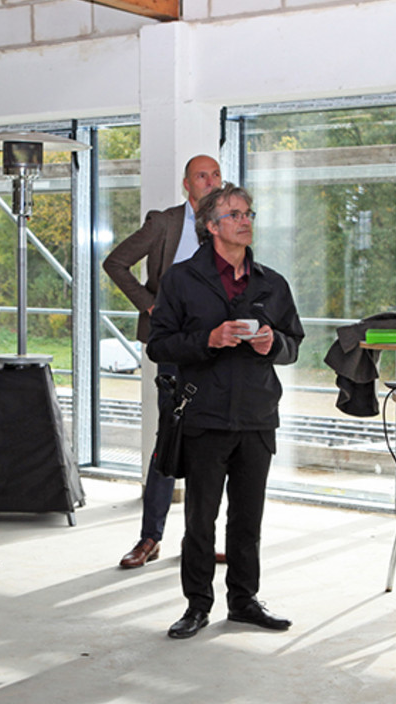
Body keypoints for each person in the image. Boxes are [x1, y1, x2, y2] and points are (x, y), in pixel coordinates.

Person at [147, 184, 305, 639]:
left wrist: (272, 342)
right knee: (200, 519)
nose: (245, 220)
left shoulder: (272, 283)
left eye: (248, 213)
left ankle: (244, 600)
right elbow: (159, 345)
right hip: (205, 416)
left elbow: (293, 345)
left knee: (247, 518)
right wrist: (208, 340)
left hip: (257, 416)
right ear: (212, 226)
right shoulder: (180, 280)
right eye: (235, 214)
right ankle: (197, 605)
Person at [103, 154, 223, 569]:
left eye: (216, 175)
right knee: (169, 441)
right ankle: (149, 538)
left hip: (217, 350)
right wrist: (151, 305)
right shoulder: (165, 223)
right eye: (201, 176)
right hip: (173, 347)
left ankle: (201, 541)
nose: (210, 182)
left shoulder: (228, 224)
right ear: (186, 185)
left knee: (213, 445)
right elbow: (115, 262)